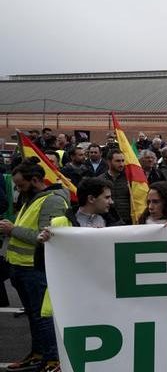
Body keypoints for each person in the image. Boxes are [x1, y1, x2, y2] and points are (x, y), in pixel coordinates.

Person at [0, 159, 69, 372]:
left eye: (21, 185)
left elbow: (47, 237)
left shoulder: (52, 201)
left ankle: (52, 360)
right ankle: (39, 354)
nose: (18, 190)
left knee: (42, 317)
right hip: (20, 267)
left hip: (35, 268)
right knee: (34, 316)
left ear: (36, 180)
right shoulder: (33, 198)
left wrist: (12, 230)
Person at [102, 149, 132, 225]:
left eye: (123, 161)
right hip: (107, 220)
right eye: (118, 161)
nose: (121, 164)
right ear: (109, 162)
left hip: (127, 220)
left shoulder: (130, 179)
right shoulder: (100, 180)